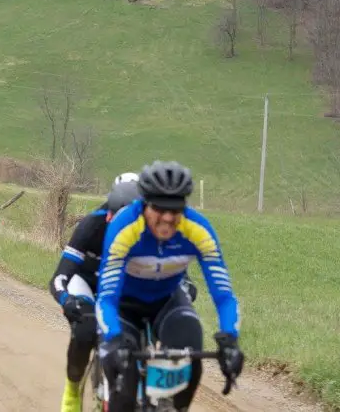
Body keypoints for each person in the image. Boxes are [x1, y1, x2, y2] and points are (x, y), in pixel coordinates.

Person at [96, 161, 244, 412]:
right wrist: (112, 340)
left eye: (175, 210)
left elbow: (224, 296)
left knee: (190, 355)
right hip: (124, 306)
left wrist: (230, 340)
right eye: (159, 209)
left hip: (168, 301)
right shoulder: (125, 227)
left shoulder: (197, 229)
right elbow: (106, 298)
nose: (167, 218)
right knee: (123, 392)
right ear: (144, 205)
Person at [50, 176, 141, 412]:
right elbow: (61, 276)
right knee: (85, 331)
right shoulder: (91, 225)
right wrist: (65, 299)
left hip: (121, 290)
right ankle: (72, 389)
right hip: (87, 284)